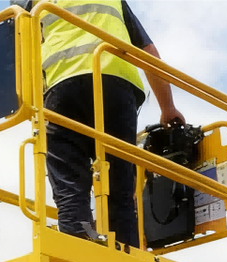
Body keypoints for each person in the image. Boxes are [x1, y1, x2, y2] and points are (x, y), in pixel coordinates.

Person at [12, 0, 184, 246]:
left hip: (63, 87)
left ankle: (80, 239)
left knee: (70, 184)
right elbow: (148, 51)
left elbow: (18, 49)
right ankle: (124, 251)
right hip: (114, 85)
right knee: (119, 189)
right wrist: (167, 108)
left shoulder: (34, 2)